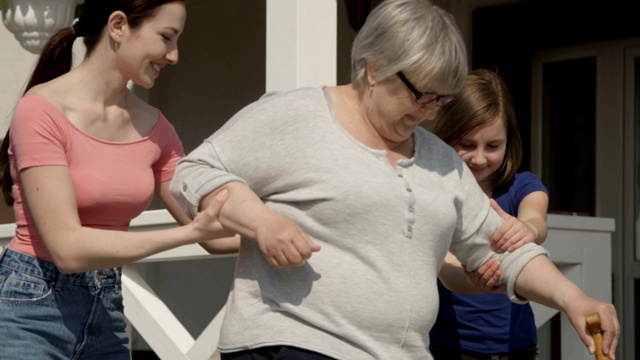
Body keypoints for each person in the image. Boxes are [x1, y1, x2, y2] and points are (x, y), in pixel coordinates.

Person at [170, 0, 620, 359]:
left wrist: (574, 299)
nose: (428, 111)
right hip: (294, 342)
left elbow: (506, 246)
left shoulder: (441, 161)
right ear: (373, 67)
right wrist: (260, 222)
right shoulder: (297, 115)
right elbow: (193, 172)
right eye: (420, 93)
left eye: (440, 100)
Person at [0, 1, 235, 359]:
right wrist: (189, 234)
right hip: (30, 310)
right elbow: (68, 249)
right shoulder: (41, 110)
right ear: (118, 26)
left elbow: (216, 233)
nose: (174, 56)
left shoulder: (156, 128)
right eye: (166, 38)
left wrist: (308, 228)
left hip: (105, 310)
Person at [428, 68, 549, 360]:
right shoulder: (433, 190)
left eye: (493, 146)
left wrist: (527, 229)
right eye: (466, 145)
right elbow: (448, 270)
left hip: (515, 347)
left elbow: (536, 219)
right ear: (444, 135)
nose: (479, 158)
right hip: (448, 346)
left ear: (510, 140)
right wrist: (474, 280)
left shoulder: (522, 186)